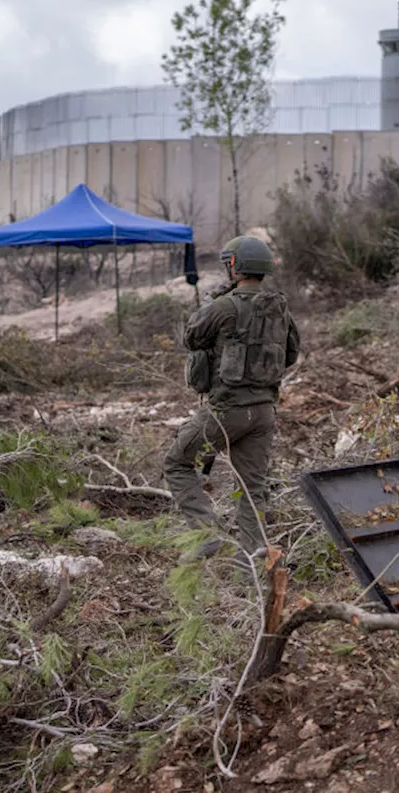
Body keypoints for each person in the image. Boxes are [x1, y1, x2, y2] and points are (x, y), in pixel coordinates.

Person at [163, 235, 300, 567]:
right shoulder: (280, 306)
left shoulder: (223, 306)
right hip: (264, 413)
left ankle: (206, 534)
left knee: (177, 462)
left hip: (225, 412)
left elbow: (191, 337)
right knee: (252, 489)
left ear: (234, 266)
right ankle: (249, 568)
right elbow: (291, 353)